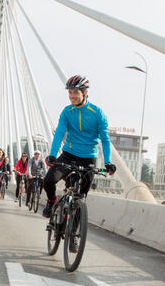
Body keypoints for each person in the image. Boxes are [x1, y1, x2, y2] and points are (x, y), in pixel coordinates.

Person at [42, 75, 116, 218]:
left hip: (89, 157)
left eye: (75, 92)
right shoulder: (67, 111)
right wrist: (52, 154)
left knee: (81, 197)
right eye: (70, 92)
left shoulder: (97, 113)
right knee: (48, 180)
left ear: (85, 93)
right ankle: (51, 202)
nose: (71, 96)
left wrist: (108, 162)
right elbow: (59, 133)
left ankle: (75, 229)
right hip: (69, 154)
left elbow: (105, 140)